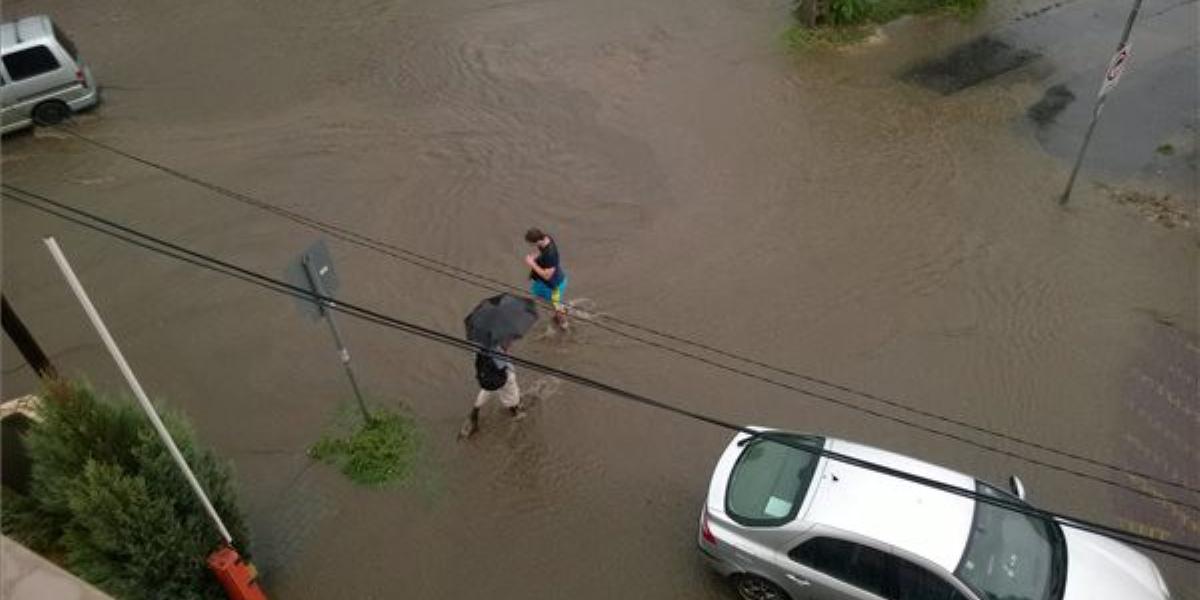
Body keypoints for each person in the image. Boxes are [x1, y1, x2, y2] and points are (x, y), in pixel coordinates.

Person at [459, 343, 525, 440]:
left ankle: (475, 412)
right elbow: (503, 362)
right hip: (503, 376)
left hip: (486, 375)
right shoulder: (498, 340)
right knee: (512, 397)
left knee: (487, 389)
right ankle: (515, 411)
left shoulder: (476, 340)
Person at [524, 227, 568, 329]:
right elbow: (541, 253)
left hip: (554, 285)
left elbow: (547, 276)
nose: (531, 246)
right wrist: (535, 256)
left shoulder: (550, 254)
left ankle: (564, 324)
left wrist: (531, 263)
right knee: (537, 295)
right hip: (543, 282)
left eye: (532, 243)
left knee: (556, 308)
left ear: (538, 240)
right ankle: (558, 310)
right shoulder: (546, 238)